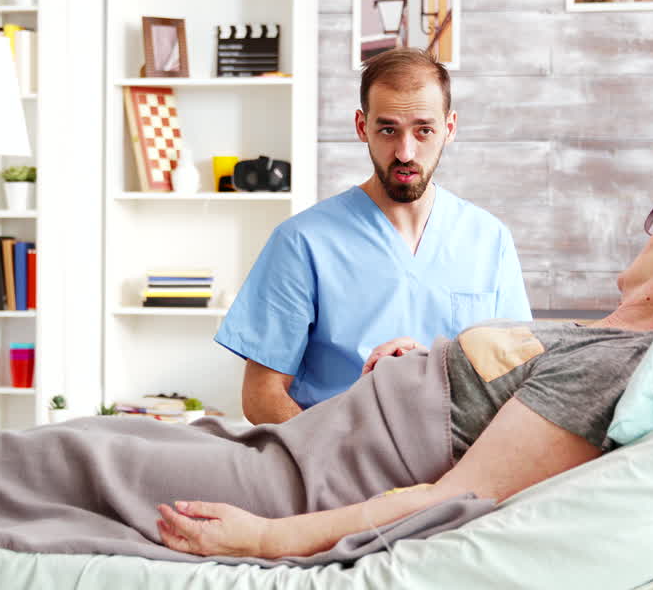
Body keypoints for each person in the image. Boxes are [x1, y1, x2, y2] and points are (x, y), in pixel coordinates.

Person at [155, 185, 653, 558]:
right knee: (118, 448)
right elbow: (488, 399)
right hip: (315, 438)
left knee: (98, 464)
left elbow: (459, 494)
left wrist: (269, 537)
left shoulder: (610, 367)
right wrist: (406, 369)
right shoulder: (599, 337)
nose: (648, 231)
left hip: (320, 474)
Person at [216, 48, 531, 424]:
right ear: (362, 126)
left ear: (449, 128)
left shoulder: (490, 240)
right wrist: (333, 450)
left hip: (457, 451)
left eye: (424, 130)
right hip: (336, 450)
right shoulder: (301, 242)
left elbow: (517, 382)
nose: (405, 152)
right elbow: (261, 395)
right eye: (388, 130)